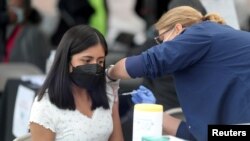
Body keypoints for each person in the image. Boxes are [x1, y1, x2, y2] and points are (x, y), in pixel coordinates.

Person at [106, 6, 250, 141]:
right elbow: (198, 135)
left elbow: (148, 62)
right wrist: (153, 112)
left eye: (161, 40)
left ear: (178, 28)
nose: (161, 47)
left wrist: (109, 74)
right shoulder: (213, 56)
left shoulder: (200, 33)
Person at [29, 25, 124, 141]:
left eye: (100, 61)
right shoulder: (45, 106)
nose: (94, 67)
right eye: (87, 60)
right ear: (68, 61)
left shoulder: (107, 92)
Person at [4, 0, 50, 72]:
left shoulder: (36, 34)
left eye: (17, 7)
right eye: (10, 6)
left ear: (27, 11)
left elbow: (38, 68)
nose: (12, 10)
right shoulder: (7, 30)